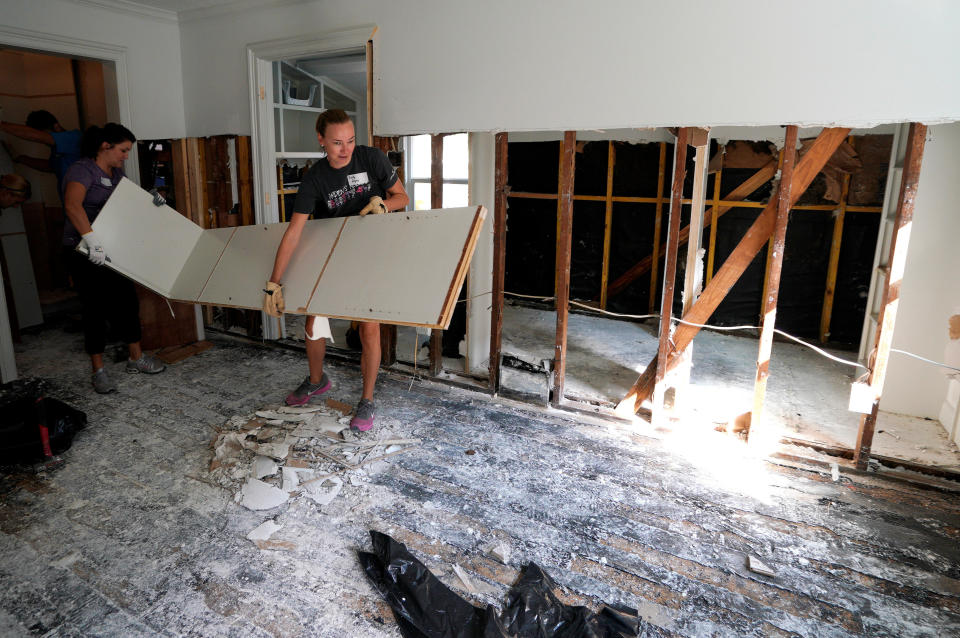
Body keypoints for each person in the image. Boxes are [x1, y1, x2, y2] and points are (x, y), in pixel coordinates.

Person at [264, 109, 409, 432]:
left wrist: (385, 204)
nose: (345, 149)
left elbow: (402, 196)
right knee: (313, 322)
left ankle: (367, 399)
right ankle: (317, 381)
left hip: (371, 251)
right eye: (337, 143)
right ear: (321, 140)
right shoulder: (315, 178)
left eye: (350, 141)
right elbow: (294, 232)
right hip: (333, 253)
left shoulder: (371, 159)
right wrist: (274, 282)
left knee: (369, 327)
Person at [62, 123, 165, 394]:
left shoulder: (117, 173)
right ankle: (98, 371)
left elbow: (128, 200)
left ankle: (136, 358)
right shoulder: (82, 170)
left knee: (127, 302)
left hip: (111, 251)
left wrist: (151, 199)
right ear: (105, 146)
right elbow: (72, 206)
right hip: (84, 250)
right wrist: (92, 240)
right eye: (123, 150)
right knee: (94, 309)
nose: (125, 156)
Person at [0, 110, 82, 196]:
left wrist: (2, 125)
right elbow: (50, 167)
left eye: (44, 137)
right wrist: (20, 158)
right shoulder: (57, 150)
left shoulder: (74, 137)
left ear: (56, 126)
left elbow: (37, 136)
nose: (45, 143)